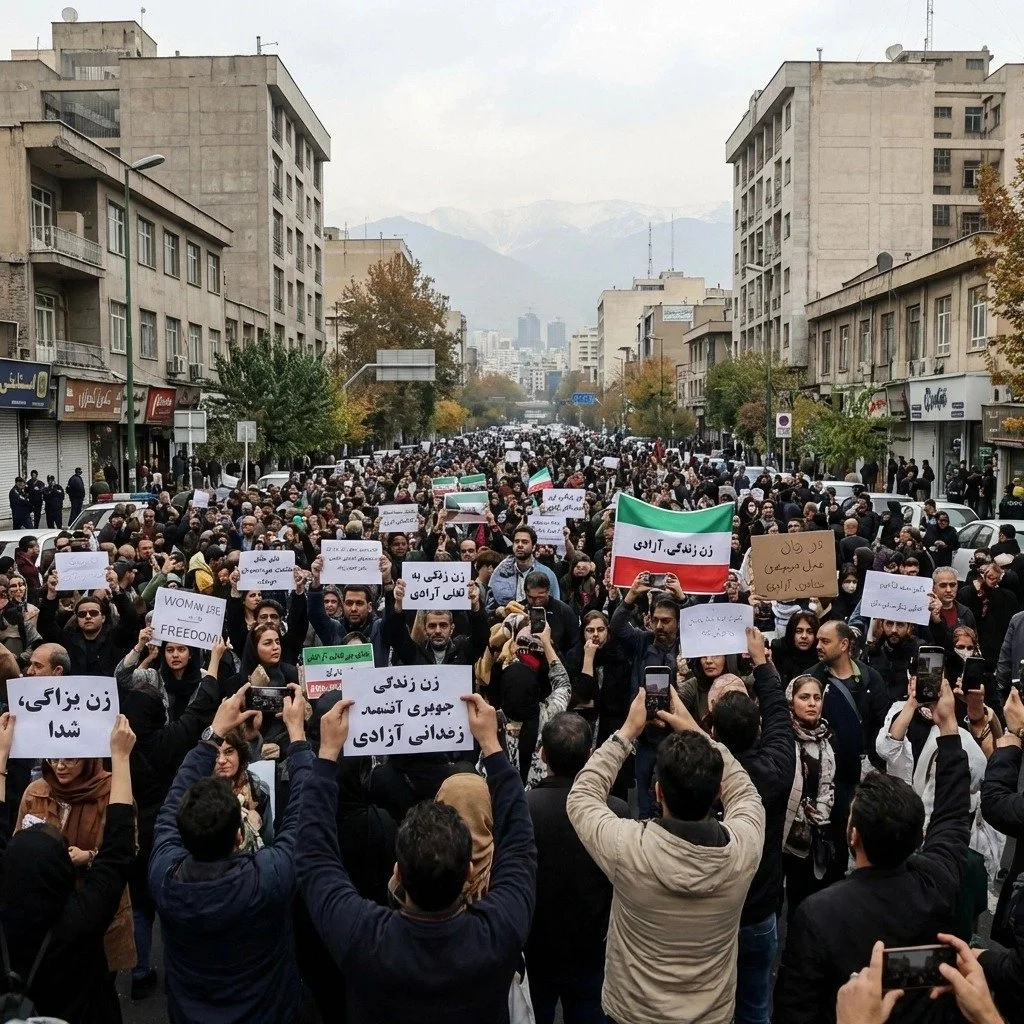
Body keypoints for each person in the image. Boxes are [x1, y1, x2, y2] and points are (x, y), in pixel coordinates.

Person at [293, 693, 537, 1023]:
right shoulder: (499, 931)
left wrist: (326, 756)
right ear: (469, 872)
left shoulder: (363, 939)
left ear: (398, 873)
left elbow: (314, 858)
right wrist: (492, 747)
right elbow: (519, 847)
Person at [774, 679, 971, 1024]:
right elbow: (953, 816)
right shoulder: (937, 882)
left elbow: (795, 1010)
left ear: (853, 836)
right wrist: (949, 727)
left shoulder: (817, 916)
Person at [567, 684, 764, 1024]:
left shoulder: (626, 847)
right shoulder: (744, 849)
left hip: (634, 1012)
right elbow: (743, 789)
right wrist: (693, 727)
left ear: (657, 792)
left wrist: (628, 730)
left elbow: (582, 795)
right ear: (717, 793)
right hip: (711, 1016)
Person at [149, 682, 313, 1024]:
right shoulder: (269, 876)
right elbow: (302, 814)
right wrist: (297, 735)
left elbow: (172, 801)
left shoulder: (165, 877)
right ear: (240, 836)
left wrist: (213, 733)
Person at [0, 714, 137, 1024]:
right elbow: (118, 854)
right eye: (53, 758)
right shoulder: (36, 791)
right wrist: (122, 758)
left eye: (70, 758)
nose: (60, 766)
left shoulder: (107, 792)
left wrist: (89, 856)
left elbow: (128, 850)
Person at [709, 629, 795, 1024]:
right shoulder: (777, 767)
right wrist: (761, 662)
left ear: (713, 733)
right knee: (756, 1005)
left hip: (712, 911)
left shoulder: (703, 776)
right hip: (760, 908)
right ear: (759, 729)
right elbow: (780, 712)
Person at [526, 712, 627, 1024]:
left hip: (536, 949)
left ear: (543, 754)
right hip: (591, 950)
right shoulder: (614, 811)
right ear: (590, 756)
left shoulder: (523, 809)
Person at [610, 572, 685, 817]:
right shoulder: (643, 641)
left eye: (666, 621)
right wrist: (631, 595)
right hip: (647, 737)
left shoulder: (690, 646)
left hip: (678, 737)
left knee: (675, 800)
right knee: (645, 802)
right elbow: (618, 626)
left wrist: (683, 599)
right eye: (655, 620)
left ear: (677, 622)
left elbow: (701, 623)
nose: (660, 626)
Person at [782, 674, 837, 924]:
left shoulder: (826, 738)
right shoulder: (782, 738)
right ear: (791, 701)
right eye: (804, 697)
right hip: (784, 833)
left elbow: (829, 784)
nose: (812, 703)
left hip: (816, 831)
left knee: (806, 904)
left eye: (816, 698)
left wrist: (822, 810)